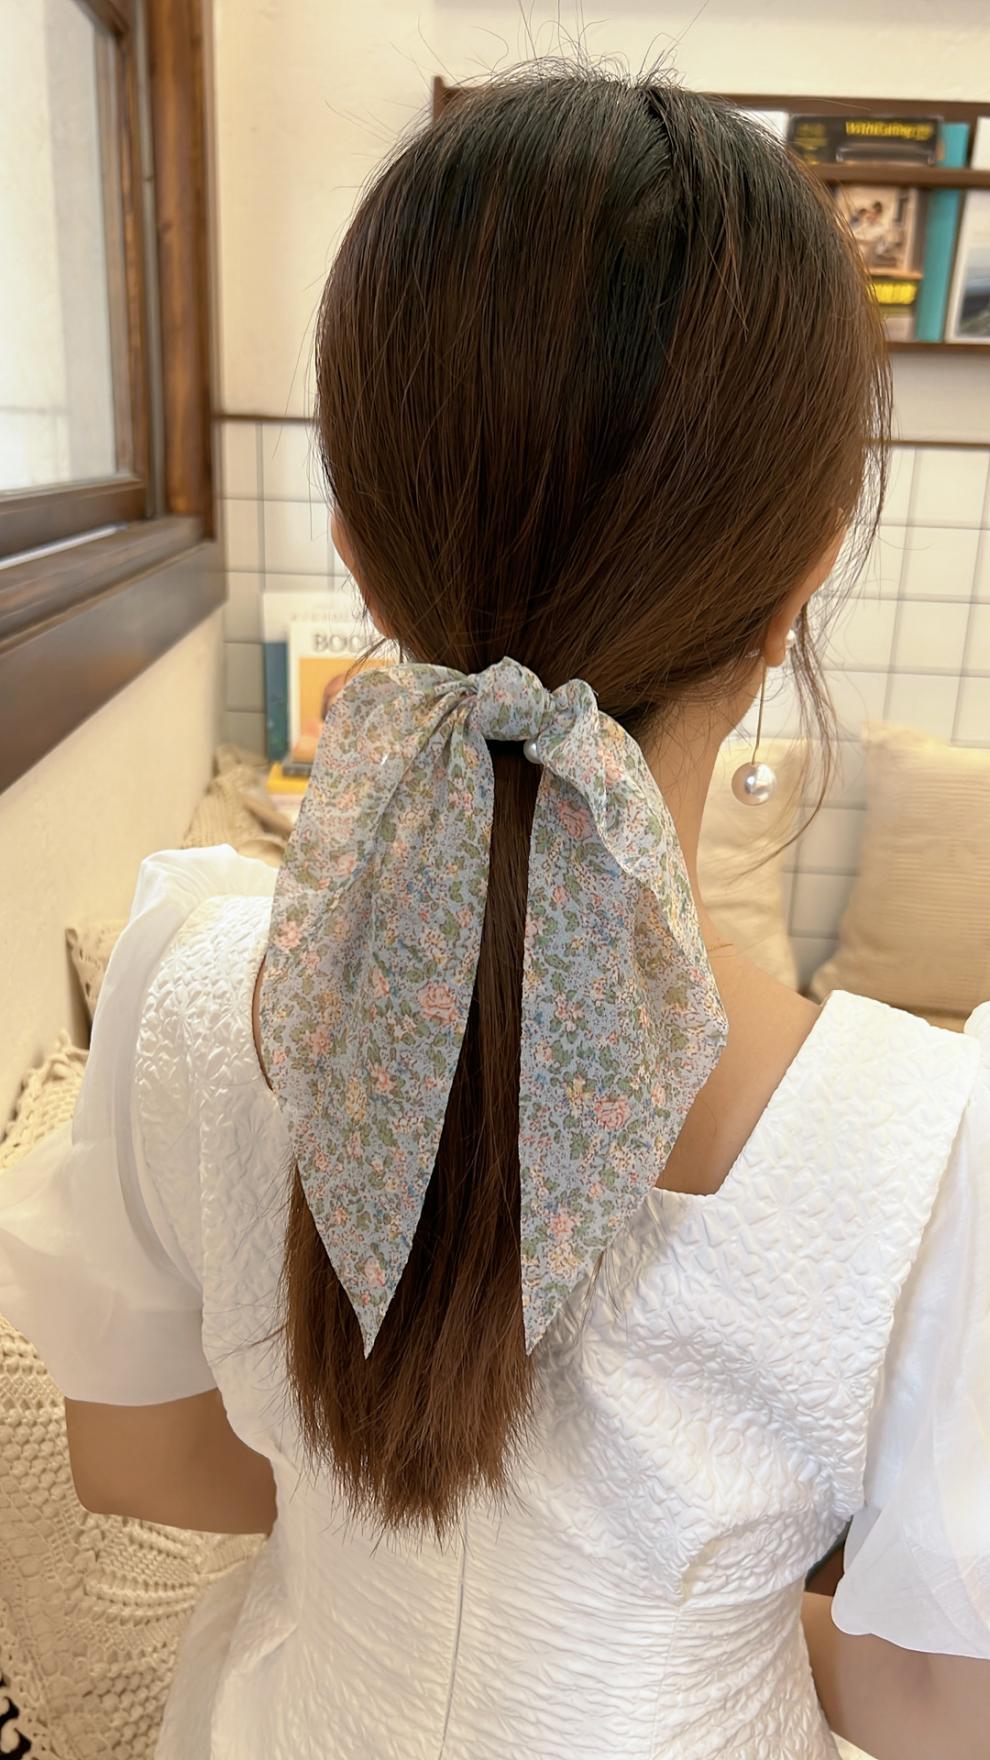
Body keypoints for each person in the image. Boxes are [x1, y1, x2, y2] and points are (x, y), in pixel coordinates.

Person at [1, 69, 988, 1760]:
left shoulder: (187, 986)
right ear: (803, 575)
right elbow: (932, 1703)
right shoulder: (937, 1152)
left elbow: (141, 1460)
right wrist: (655, 1626)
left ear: (353, 547)